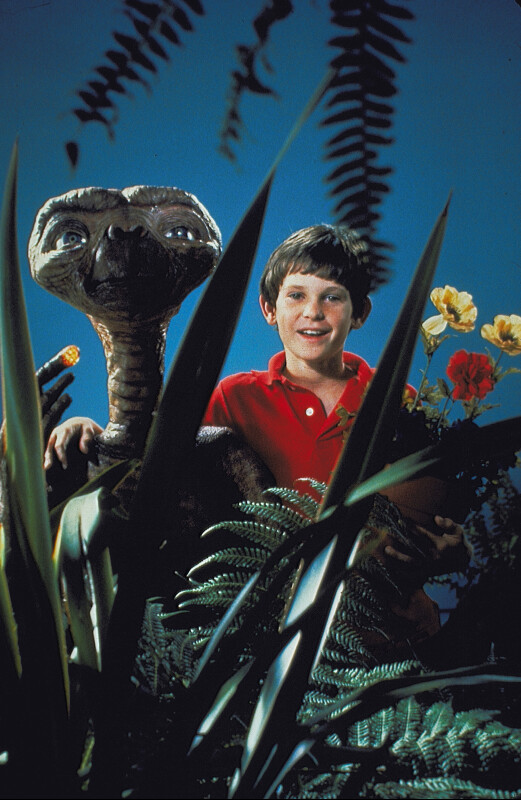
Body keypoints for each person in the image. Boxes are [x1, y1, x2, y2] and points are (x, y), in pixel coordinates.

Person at [45, 224, 469, 652]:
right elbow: (162, 464)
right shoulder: (235, 398)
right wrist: (86, 427)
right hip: (264, 626)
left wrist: (453, 548)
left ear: (360, 313)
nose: (313, 312)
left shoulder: (400, 401)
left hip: (379, 629)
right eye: (296, 295)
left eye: (332, 297)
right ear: (269, 308)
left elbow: (424, 512)